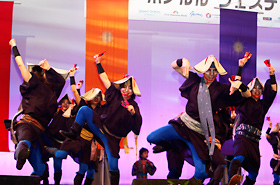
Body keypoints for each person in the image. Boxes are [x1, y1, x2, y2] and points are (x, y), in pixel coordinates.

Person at [147, 55, 251, 185]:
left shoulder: (220, 89)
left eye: (214, 71)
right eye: (209, 70)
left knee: (201, 173)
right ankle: (172, 145)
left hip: (198, 134)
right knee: (151, 138)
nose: (212, 74)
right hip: (183, 125)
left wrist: (241, 86)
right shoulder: (194, 80)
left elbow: (247, 96)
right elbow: (174, 65)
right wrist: (183, 61)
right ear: (203, 70)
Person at [57, 53, 142, 185]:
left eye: (129, 88)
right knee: (84, 109)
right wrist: (97, 62)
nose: (126, 90)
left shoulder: (134, 106)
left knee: (113, 165)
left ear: (133, 92)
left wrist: (132, 113)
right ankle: (73, 133)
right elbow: (105, 78)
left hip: (113, 138)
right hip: (101, 128)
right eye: (124, 87)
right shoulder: (114, 95)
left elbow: (137, 128)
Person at [9, 39, 65, 183]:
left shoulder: (33, 82)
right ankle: (22, 151)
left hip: (28, 126)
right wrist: (49, 68)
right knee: (40, 167)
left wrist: (14, 46)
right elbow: (61, 81)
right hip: (37, 129)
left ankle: (20, 151)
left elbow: (20, 64)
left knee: (26, 144)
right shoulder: (54, 92)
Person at [228, 60, 277, 185]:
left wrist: (272, 74)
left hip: (254, 141)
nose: (256, 91)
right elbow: (237, 84)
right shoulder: (243, 100)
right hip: (242, 137)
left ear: (261, 92)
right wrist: (240, 67)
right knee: (239, 157)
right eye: (254, 88)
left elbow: (273, 90)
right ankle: (231, 180)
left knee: (254, 174)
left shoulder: (263, 105)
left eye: (259, 89)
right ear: (250, 89)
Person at [266, 119, 280, 185]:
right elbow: (267, 135)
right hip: (276, 160)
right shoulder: (274, 138)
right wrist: (270, 127)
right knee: (277, 178)